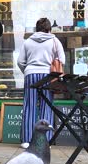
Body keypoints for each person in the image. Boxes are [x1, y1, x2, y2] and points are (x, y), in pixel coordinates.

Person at [17, 18, 65, 149]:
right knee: (46, 107)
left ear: (36, 29)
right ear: (49, 29)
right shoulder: (54, 40)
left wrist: (27, 71)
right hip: (47, 75)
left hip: (31, 74)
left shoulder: (28, 42)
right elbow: (62, 59)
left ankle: (26, 140)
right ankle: (44, 141)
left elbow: (20, 61)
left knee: (29, 106)